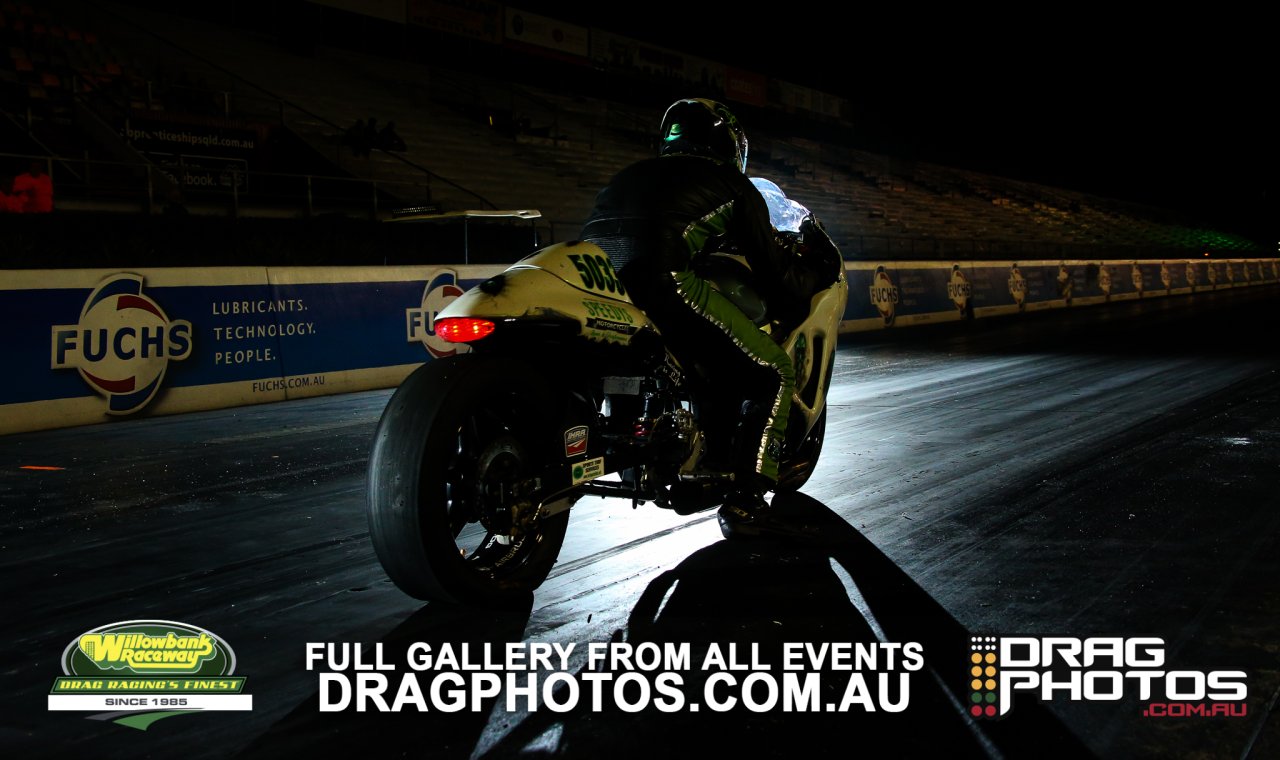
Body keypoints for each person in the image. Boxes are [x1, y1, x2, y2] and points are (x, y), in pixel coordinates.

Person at [579, 98, 813, 541]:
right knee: (775, 372)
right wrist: (805, 282)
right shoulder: (732, 184)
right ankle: (747, 498)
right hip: (665, 283)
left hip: (603, 288)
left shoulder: (629, 173)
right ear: (727, 142)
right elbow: (773, 271)